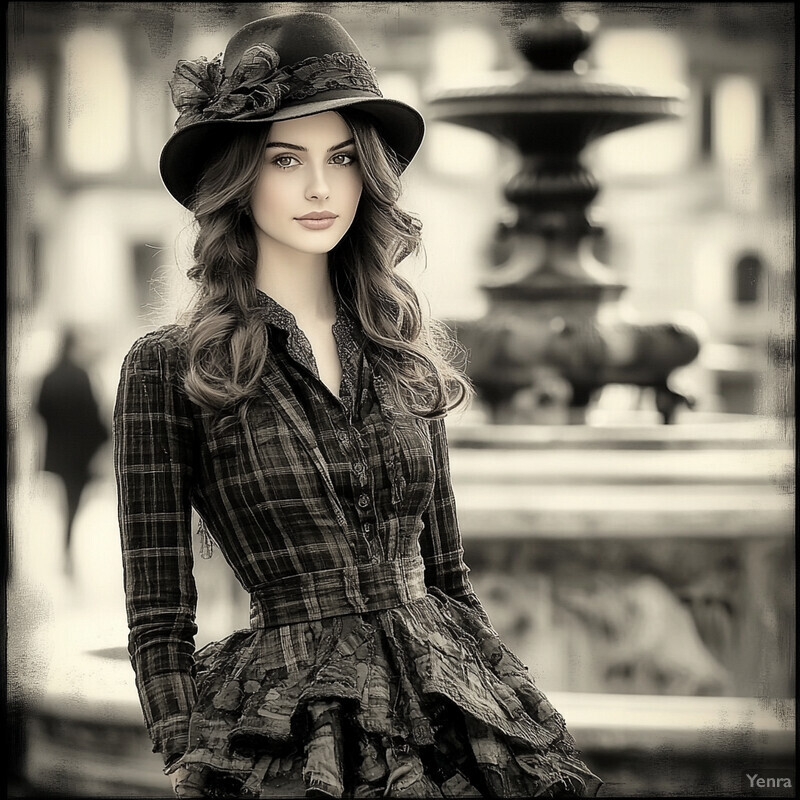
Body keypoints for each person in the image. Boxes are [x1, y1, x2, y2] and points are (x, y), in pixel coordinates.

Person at [113, 11, 603, 798]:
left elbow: (447, 574)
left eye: (341, 158)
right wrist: (187, 754)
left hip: (447, 711)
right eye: (286, 159)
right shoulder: (169, 369)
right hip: (288, 732)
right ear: (241, 176)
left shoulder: (403, 347)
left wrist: (508, 705)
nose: (319, 188)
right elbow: (159, 619)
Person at [37, 326, 109, 575]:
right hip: (80, 454)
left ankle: (65, 545)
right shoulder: (81, 376)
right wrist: (103, 439)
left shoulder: (49, 376)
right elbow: (92, 413)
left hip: (58, 452)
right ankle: (67, 546)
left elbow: (40, 410)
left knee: (66, 499)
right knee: (73, 500)